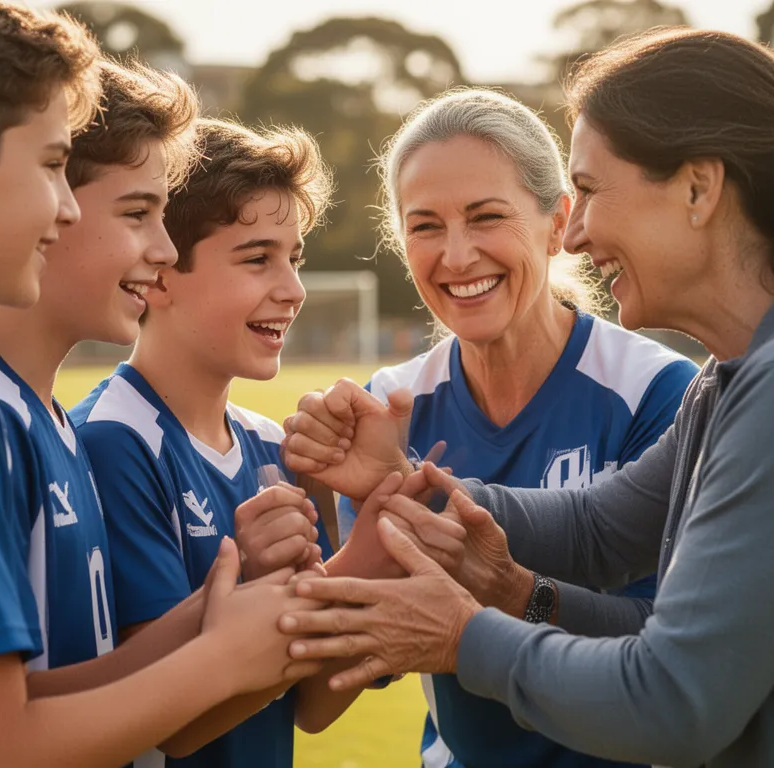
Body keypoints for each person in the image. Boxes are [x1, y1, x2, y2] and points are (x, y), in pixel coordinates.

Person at [276, 27, 774, 768]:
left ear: (699, 188)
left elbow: (670, 701)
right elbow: (600, 529)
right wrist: (398, 484)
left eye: (591, 191)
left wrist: (464, 637)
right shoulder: (744, 374)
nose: (578, 234)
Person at [0, 2, 318, 766]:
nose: (64, 204)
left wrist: (224, 610)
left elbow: (16, 698)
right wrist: (221, 659)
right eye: (49, 167)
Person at [282, 88, 698, 768]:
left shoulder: (656, 392)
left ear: (558, 221)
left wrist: (504, 591)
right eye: (424, 226)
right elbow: (334, 686)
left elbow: (672, 648)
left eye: (486, 217)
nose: (456, 256)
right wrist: (320, 525)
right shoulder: (389, 406)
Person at [71, 117, 386, 768]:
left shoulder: (272, 447)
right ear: (160, 273)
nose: (293, 290)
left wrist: (389, 525)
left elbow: (311, 705)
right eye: (257, 258)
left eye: (294, 260)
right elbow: (170, 725)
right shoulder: (115, 442)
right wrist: (271, 584)